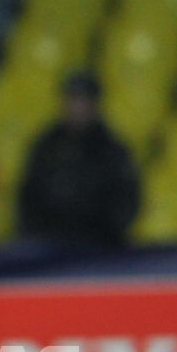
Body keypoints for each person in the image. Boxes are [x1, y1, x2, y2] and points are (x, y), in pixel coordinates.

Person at [14, 70, 141, 248]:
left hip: (99, 245)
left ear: (95, 104)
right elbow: (28, 195)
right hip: (50, 243)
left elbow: (127, 201)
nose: (78, 106)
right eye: (73, 99)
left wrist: (107, 233)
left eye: (84, 100)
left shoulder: (112, 149)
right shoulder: (46, 145)